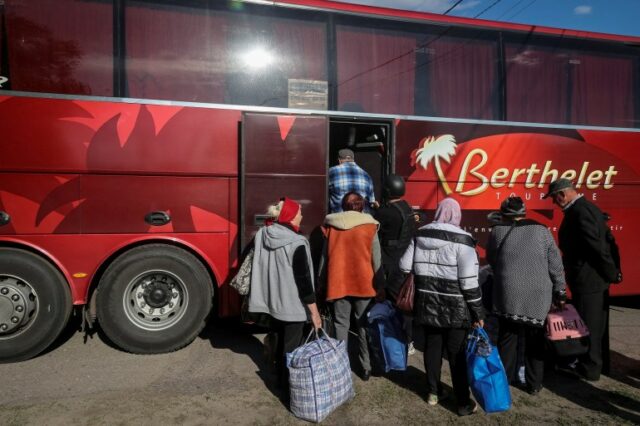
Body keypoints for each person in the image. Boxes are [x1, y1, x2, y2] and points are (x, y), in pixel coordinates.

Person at [399, 197, 484, 416]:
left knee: (432, 347)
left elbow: (404, 265)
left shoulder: (421, 233)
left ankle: (433, 393)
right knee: (456, 353)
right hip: (456, 307)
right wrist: (478, 312)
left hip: (426, 303)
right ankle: (464, 403)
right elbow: (468, 282)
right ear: (457, 214)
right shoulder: (464, 240)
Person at [487, 196, 566, 395]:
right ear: (524, 212)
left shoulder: (498, 231)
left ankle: (504, 380)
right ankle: (534, 384)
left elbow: (492, 259)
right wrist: (560, 290)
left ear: (504, 213)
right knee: (535, 340)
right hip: (538, 294)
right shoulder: (542, 231)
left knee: (507, 337)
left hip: (509, 292)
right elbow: (555, 263)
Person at [543, 178, 619, 381]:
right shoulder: (586, 208)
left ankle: (590, 368)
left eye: (554, 198)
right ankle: (598, 365)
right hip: (593, 278)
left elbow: (596, 247)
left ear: (563, 194)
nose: (554, 203)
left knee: (590, 325)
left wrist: (611, 272)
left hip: (589, 279)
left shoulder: (580, 211)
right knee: (596, 324)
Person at [248, 197, 322, 399]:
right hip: (292, 308)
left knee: (279, 343)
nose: (302, 215)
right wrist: (315, 313)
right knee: (292, 351)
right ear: (289, 216)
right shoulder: (297, 242)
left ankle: (280, 381)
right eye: (299, 212)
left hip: (272, 304)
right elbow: (304, 282)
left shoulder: (263, 233)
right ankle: (290, 391)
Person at [320, 192, 385, 381]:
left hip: (338, 283)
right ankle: (365, 367)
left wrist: (321, 282)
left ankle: (341, 366)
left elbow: (325, 259)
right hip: (364, 284)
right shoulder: (370, 226)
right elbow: (377, 259)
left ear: (343, 206)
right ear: (361, 206)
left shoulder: (331, 226)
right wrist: (380, 286)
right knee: (363, 325)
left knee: (341, 325)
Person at [374, 174, 417, 354]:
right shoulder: (407, 208)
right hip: (406, 259)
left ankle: (396, 339)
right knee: (404, 301)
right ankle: (409, 340)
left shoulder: (384, 212)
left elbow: (378, 231)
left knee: (391, 302)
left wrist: (378, 209)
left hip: (389, 261)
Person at [328, 148, 376, 213]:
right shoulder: (366, 175)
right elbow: (372, 202)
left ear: (339, 160)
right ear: (353, 160)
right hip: (362, 219)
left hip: (341, 219)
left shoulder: (332, 171)